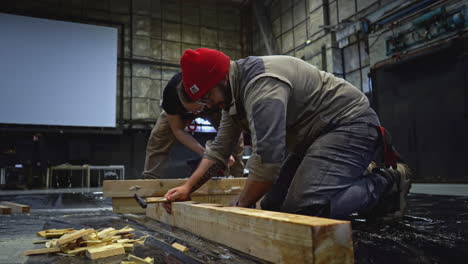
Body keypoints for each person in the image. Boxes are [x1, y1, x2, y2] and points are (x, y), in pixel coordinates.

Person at [163, 48, 411, 222]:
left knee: (305, 210)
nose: (208, 105)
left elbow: (268, 161)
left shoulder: (261, 87)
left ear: (221, 80)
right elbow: (219, 150)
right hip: (314, 138)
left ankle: (387, 182)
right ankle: (350, 173)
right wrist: (187, 188)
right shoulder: (231, 97)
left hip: (348, 124)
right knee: (273, 206)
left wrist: (241, 204)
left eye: (207, 97)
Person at [143, 72, 244, 179]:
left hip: (212, 107)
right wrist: (207, 154)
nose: (196, 114)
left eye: (197, 109)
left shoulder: (213, 92)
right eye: (191, 110)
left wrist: (224, 152)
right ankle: (150, 180)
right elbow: (178, 130)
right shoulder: (171, 95)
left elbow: (229, 130)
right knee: (158, 136)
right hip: (180, 111)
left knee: (234, 136)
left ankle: (236, 179)